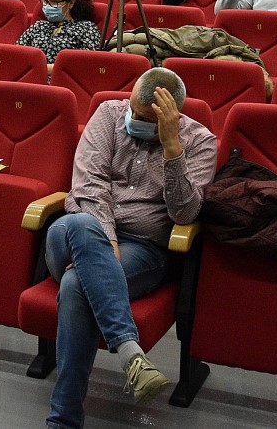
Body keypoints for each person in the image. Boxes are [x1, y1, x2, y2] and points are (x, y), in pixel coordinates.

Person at [45, 67, 217, 428]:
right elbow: (89, 185)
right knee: (81, 224)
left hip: (143, 250)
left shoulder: (199, 141)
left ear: (172, 117)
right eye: (133, 112)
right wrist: (106, 240)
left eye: (145, 120)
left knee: (75, 285)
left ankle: (63, 420)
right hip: (74, 235)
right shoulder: (109, 114)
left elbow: (184, 213)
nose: (133, 121)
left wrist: (172, 149)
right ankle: (129, 350)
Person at [17, 0, 103, 75]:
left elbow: (87, 64)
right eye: (45, 0)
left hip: (65, 80)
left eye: (54, 1)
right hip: (30, 78)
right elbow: (18, 56)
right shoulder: (38, 26)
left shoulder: (87, 28)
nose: (47, 5)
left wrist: (43, 68)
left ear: (71, 3)